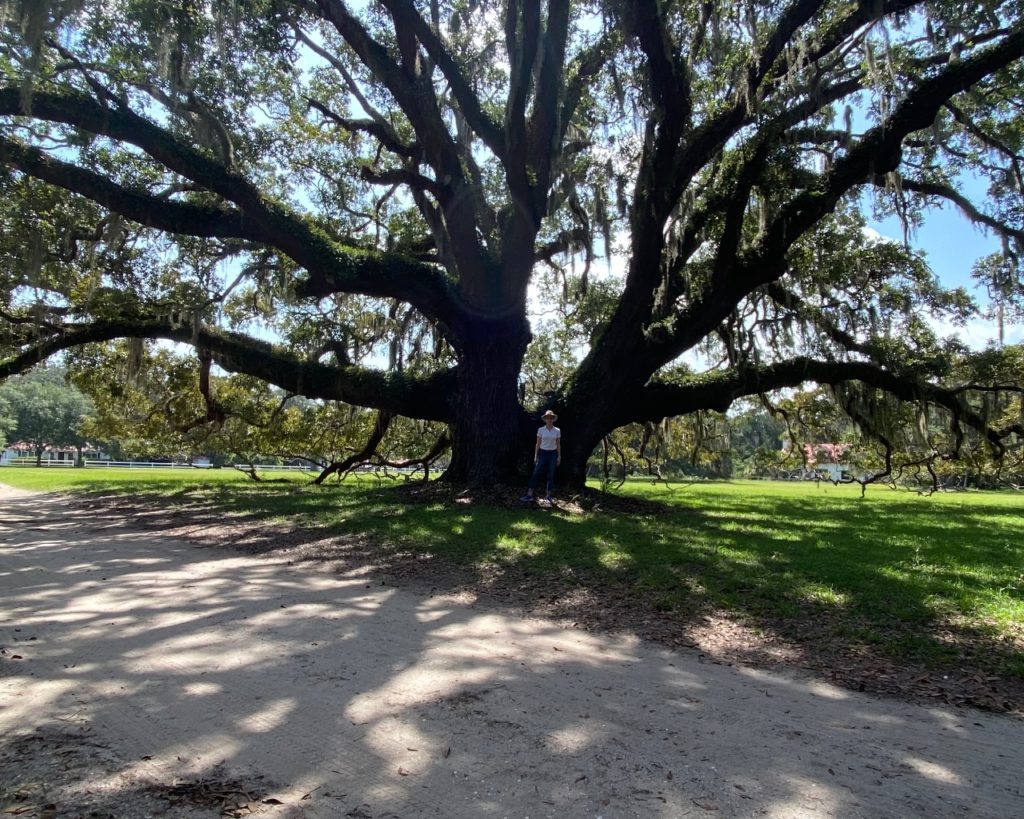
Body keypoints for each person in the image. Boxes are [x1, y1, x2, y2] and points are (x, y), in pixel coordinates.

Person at [520, 409, 561, 504]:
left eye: (551, 418)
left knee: (551, 474)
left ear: (553, 419)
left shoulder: (557, 430)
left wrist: (559, 456)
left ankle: (548, 496)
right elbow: (537, 444)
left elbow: (558, 444)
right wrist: (535, 455)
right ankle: (529, 495)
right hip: (542, 453)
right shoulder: (541, 430)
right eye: (547, 418)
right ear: (545, 419)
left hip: (553, 454)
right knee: (536, 473)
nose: (549, 419)